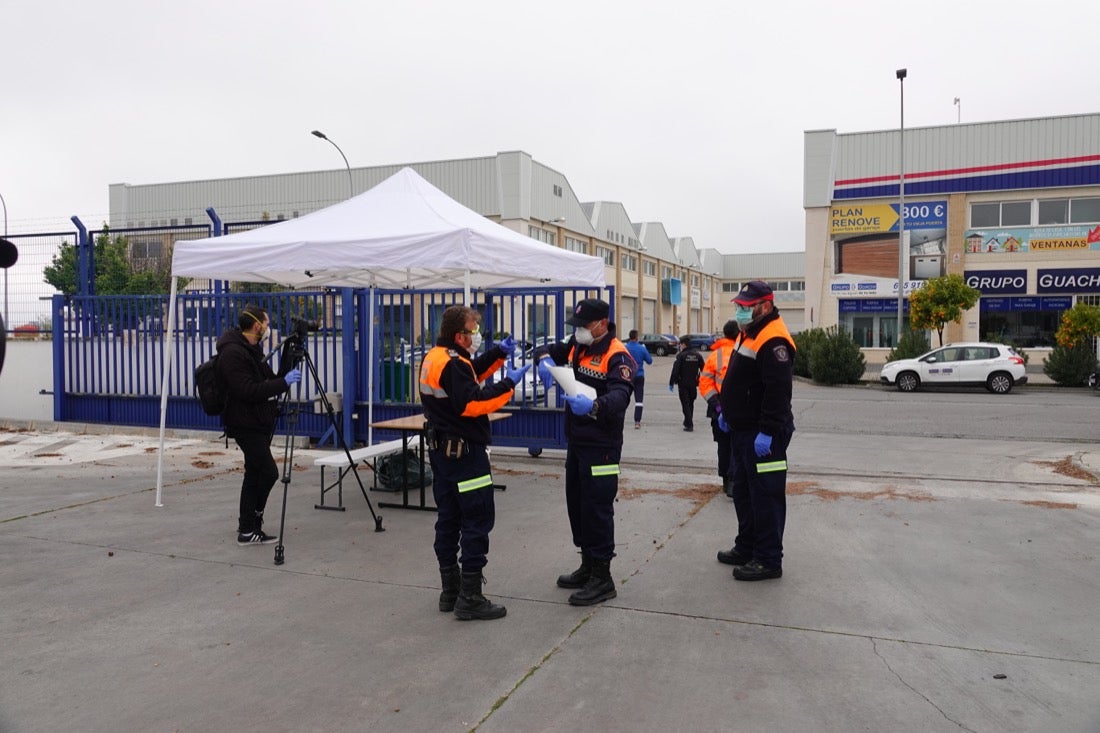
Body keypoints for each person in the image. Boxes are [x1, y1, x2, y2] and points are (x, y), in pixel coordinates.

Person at [419, 305, 529, 620]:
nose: (476, 335)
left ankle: (450, 591)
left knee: (449, 519)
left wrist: (497, 354)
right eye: (473, 330)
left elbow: (467, 375)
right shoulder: (452, 363)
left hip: (443, 454)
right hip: (466, 455)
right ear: (460, 336)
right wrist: (508, 385)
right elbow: (471, 402)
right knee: (476, 519)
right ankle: (470, 596)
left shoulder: (436, 356)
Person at [536, 298, 634, 606]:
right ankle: (588, 564)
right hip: (578, 442)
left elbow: (621, 395)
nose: (577, 332)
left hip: (602, 446)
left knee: (597, 509)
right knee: (578, 505)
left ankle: (603, 578)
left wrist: (594, 405)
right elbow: (551, 349)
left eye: (582, 326)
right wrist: (543, 360)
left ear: (602, 324)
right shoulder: (579, 346)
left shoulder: (617, 355)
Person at [716, 281, 795, 581]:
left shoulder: (774, 340)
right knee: (746, 494)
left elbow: (777, 391)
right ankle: (747, 546)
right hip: (742, 429)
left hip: (764, 435)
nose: (740, 310)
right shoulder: (749, 332)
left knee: (766, 496)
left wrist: (768, 431)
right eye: (738, 306)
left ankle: (768, 559)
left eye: (746, 306)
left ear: (765, 305)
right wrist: (727, 412)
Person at [216, 305, 302, 546]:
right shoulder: (232, 353)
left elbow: (271, 379)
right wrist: (284, 383)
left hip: (257, 421)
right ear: (257, 326)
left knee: (253, 473)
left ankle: (247, 529)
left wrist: (288, 357)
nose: (267, 328)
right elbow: (248, 390)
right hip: (244, 423)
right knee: (269, 472)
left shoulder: (250, 350)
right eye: (266, 323)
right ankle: (252, 521)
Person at [698, 320, 741, 496]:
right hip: (740, 408)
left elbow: (705, 383)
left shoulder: (715, 355)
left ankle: (726, 480)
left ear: (723, 334)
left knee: (723, 446)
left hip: (719, 409)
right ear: (738, 334)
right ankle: (734, 479)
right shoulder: (744, 351)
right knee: (737, 445)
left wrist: (717, 407)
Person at [668, 335, 704, 431]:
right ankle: (687, 421)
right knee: (691, 403)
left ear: (683, 344)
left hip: (683, 384)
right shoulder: (698, 355)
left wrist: (671, 382)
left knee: (685, 404)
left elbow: (675, 370)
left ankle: (689, 424)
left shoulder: (681, 356)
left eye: (680, 344)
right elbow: (704, 369)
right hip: (693, 383)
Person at [624, 329, 653, 428]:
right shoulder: (641, 348)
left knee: (624, 397)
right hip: (639, 375)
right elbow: (649, 361)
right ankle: (637, 421)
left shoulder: (625, 348)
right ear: (636, 337)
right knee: (639, 400)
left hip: (628, 375)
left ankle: (620, 417)